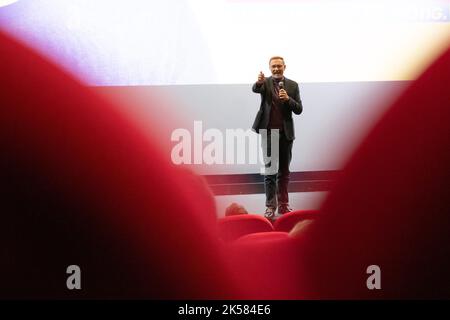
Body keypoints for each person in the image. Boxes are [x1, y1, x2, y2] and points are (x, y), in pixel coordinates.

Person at [252, 56, 303, 219]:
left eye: (279, 66)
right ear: (269, 68)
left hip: (286, 134)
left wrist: (288, 99)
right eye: (273, 66)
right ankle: (270, 206)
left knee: (284, 172)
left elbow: (299, 109)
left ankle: (283, 204)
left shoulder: (293, 85)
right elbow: (255, 88)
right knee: (270, 172)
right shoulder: (265, 83)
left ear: (284, 67)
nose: (276, 69)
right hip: (269, 132)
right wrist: (259, 82)